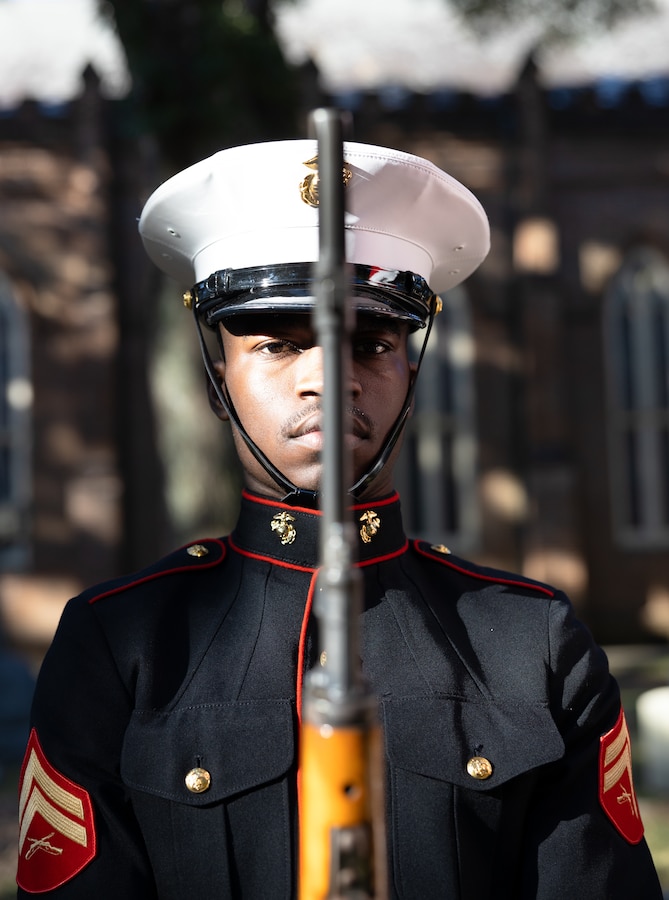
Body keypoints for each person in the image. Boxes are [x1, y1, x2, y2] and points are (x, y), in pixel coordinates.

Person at [16, 135, 662, 899]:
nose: (328, 379)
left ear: (409, 373)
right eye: (278, 344)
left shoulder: (530, 639)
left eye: (370, 344)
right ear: (216, 376)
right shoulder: (120, 640)